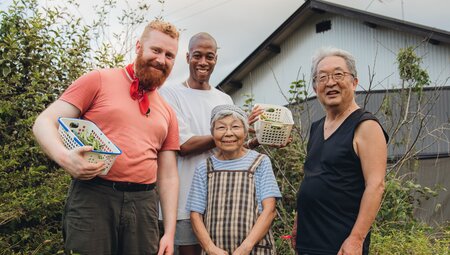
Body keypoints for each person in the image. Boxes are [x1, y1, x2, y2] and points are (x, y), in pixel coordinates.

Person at [33, 20, 180, 255]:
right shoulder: (98, 80)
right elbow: (44, 122)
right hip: (94, 196)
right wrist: (65, 158)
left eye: (170, 55)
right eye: (156, 50)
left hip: (143, 206)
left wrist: (170, 233)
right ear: (138, 46)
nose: (161, 60)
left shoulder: (168, 111)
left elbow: (169, 176)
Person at [159, 32, 262, 254]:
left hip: (219, 203)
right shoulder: (170, 94)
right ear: (187, 57)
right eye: (197, 55)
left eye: (210, 56)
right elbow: (183, 146)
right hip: (184, 203)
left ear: (216, 59)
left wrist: (254, 139)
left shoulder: (224, 99)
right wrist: (234, 130)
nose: (203, 62)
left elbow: (231, 151)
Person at [291, 47, 389, 255]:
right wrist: (298, 221)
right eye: (322, 77)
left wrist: (356, 238)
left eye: (338, 75)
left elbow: (376, 185)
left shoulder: (366, 126)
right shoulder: (316, 127)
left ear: (354, 82)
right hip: (308, 240)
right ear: (315, 86)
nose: (330, 82)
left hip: (341, 243)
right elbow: (312, 177)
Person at [187, 104, 281, 254]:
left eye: (235, 127)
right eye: (221, 128)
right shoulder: (204, 167)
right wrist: (210, 248)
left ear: (245, 133)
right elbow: (195, 215)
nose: (228, 133)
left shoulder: (260, 162)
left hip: (255, 250)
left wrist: (245, 247)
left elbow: (270, 210)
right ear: (212, 134)